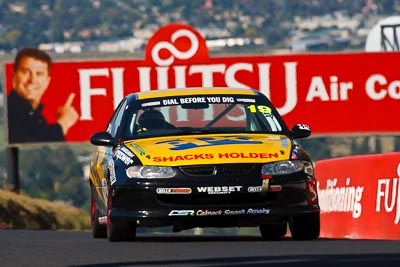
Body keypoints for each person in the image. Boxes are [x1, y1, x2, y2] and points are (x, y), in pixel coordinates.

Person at [7, 47, 79, 144]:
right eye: (25, 72)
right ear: (13, 75)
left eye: (39, 74)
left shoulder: (35, 117)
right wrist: (63, 124)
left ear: (47, 81)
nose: (32, 80)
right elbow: (33, 148)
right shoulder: (9, 114)